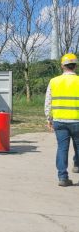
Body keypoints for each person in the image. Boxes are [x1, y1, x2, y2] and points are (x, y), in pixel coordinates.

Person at [44, 53, 79, 187]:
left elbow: (48, 101)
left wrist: (49, 118)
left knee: (62, 148)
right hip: (77, 120)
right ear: (75, 66)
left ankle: (63, 177)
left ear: (62, 66)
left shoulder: (54, 81)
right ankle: (77, 164)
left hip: (59, 121)